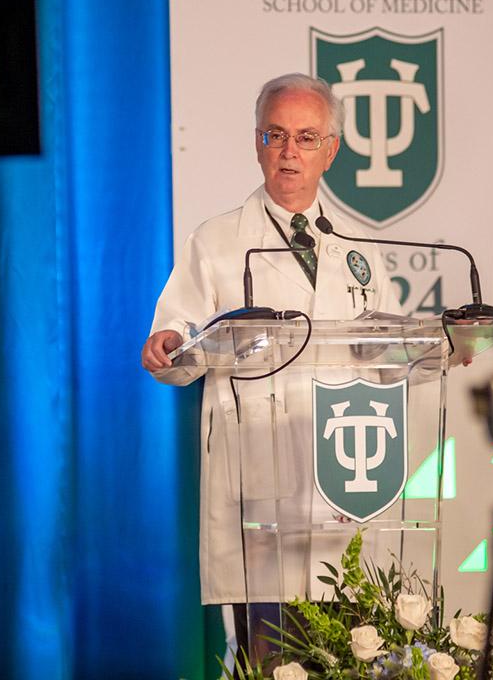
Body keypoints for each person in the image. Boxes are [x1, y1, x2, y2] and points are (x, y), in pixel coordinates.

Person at [142, 73, 398, 659]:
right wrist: (166, 345)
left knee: (348, 655)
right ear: (257, 142)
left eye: (307, 138)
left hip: (345, 473)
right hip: (256, 475)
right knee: (271, 654)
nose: (290, 152)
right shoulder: (218, 240)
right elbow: (177, 345)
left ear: (330, 150)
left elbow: (385, 352)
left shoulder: (360, 245)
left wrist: (439, 352)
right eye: (276, 135)